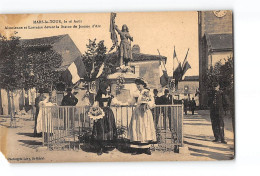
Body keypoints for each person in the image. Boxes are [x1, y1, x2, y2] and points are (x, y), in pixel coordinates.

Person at [128, 78, 157, 155]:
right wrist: (129, 102)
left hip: (145, 113)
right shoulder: (137, 93)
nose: (138, 86)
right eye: (137, 85)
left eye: (139, 85)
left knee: (145, 128)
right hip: (137, 112)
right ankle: (137, 148)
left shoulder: (147, 92)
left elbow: (151, 101)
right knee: (136, 128)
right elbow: (132, 102)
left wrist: (147, 104)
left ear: (143, 85)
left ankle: (147, 148)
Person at [91, 83, 117, 155]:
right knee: (100, 130)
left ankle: (105, 146)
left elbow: (116, 102)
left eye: (109, 89)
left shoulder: (110, 96)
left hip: (109, 114)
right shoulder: (98, 96)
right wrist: (95, 113)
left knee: (107, 130)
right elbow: (95, 105)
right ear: (103, 88)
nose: (108, 90)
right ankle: (100, 148)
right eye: (107, 89)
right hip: (100, 114)